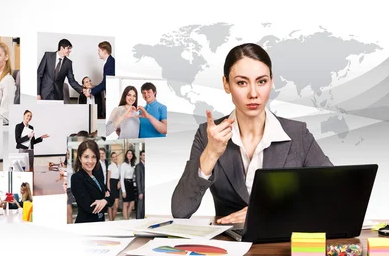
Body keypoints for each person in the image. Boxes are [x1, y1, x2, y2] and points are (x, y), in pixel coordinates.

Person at [171, 43, 333, 224]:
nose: (253, 93)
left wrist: (267, 210)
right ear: (226, 84)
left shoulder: (297, 134)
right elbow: (180, 211)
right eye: (241, 83)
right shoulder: (208, 134)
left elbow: (334, 193)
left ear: (271, 82)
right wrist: (211, 153)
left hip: (282, 243)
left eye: (261, 81)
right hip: (229, 245)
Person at [71, 140, 113, 223]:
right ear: (80, 158)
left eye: (93, 157)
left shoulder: (96, 175)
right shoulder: (76, 178)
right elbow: (90, 207)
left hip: (100, 222)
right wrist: (106, 199)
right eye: (86, 157)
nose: (90, 161)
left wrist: (104, 200)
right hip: (86, 224)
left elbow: (111, 197)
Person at [91, 41, 115, 119]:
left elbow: (106, 83)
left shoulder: (110, 63)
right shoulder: (109, 62)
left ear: (104, 51)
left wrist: (91, 91)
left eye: (99, 51)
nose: (98, 53)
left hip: (113, 95)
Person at [120, 150, 136, 220]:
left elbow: (133, 176)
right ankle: (126, 220)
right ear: (126, 155)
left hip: (131, 184)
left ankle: (127, 218)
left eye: (131, 154)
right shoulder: (123, 165)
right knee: (125, 204)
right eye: (128, 153)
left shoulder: (132, 165)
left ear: (133, 156)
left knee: (132, 203)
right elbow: (121, 178)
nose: (130, 155)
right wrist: (123, 191)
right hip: (125, 184)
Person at [107, 151, 120, 221]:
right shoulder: (110, 166)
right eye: (113, 157)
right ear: (111, 158)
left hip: (117, 184)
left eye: (116, 156)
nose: (115, 158)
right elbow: (108, 178)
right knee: (110, 204)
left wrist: (119, 181)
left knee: (116, 205)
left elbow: (120, 176)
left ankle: (112, 221)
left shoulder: (119, 166)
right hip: (111, 184)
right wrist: (108, 189)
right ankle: (111, 221)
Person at [136, 150, 145, 219]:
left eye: (145, 155)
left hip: (146, 189)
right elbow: (138, 180)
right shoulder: (138, 166)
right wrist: (140, 192)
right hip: (141, 190)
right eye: (143, 155)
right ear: (140, 156)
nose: (144, 157)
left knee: (144, 207)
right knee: (140, 208)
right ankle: (138, 221)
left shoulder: (148, 165)